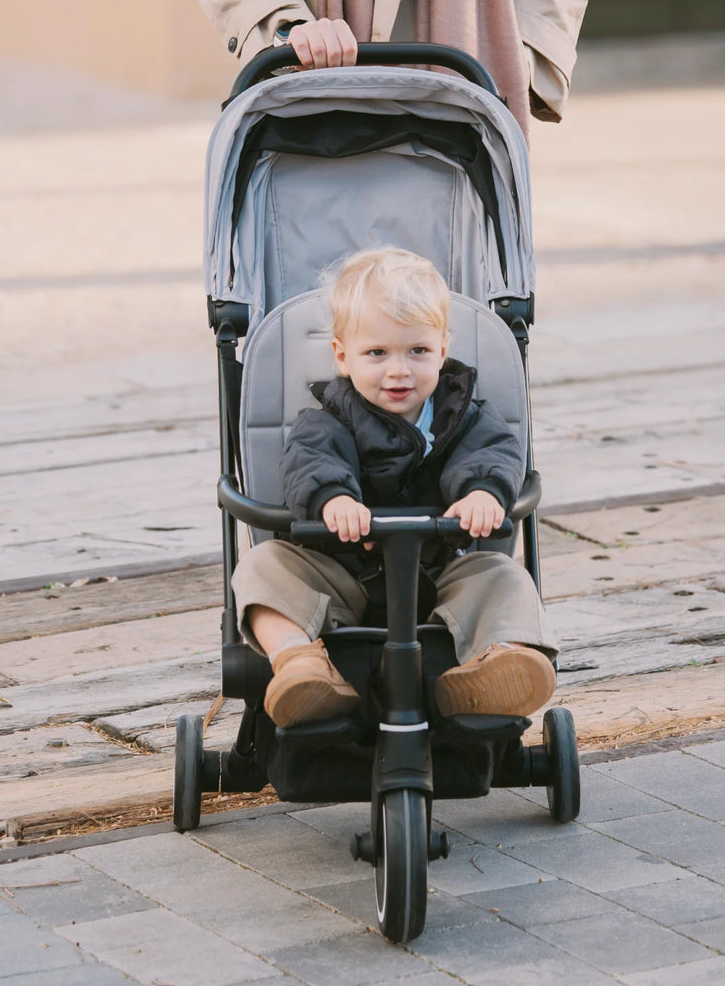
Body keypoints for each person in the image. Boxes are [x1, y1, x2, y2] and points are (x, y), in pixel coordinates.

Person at [232, 247, 557, 727]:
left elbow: (494, 454)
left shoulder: (466, 419)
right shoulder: (325, 423)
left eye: (418, 351)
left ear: (444, 349)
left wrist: (483, 492)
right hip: (341, 576)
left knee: (505, 577)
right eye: (377, 353)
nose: (399, 370)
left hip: (443, 574)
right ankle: (299, 663)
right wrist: (334, 499)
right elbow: (308, 465)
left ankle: (499, 662)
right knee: (262, 568)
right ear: (343, 356)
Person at [192, 0, 588, 137]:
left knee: (458, 280)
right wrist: (286, 26)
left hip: (468, 56)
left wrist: (521, 54)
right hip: (316, 61)